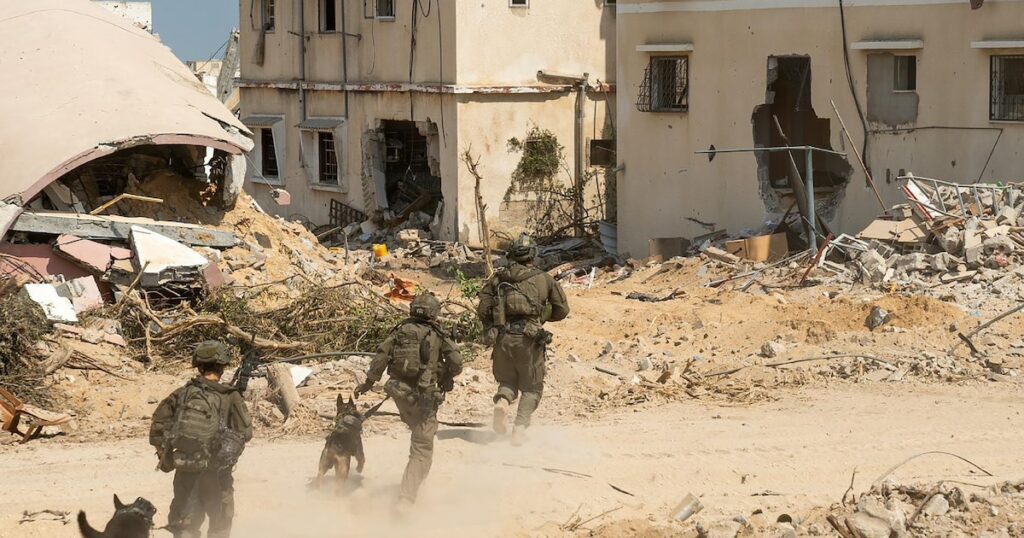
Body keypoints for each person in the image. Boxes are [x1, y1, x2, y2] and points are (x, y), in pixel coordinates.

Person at [355, 292, 463, 507]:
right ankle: (406, 497)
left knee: (416, 428)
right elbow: (457, 363)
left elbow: (381, 357)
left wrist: (367, 384)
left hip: (398, 393)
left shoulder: (400, 330)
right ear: (434, 313)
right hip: (423, 397)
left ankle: (413, 483)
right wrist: (443, 373)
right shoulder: (437, 334)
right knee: (422, 448)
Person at [150, 340, 253, 538]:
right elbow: (246, 433)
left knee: (185, 526)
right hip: (217, 476)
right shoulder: (230, 396)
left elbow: (157, 427)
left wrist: (166, 458)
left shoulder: (182, 394)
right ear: (222, 366)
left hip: (186, 471)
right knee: (219, 526)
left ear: (198, 366)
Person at [477, 234, 569, 445]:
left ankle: (502, 402)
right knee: (532, 388)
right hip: (530, 339)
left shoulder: (498, 279)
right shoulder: (544, 279)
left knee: (507, 381)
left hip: (503, 338)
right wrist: (541, 318)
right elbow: (562, 310)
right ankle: (519, 427)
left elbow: (483, 309)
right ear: (532, 255)